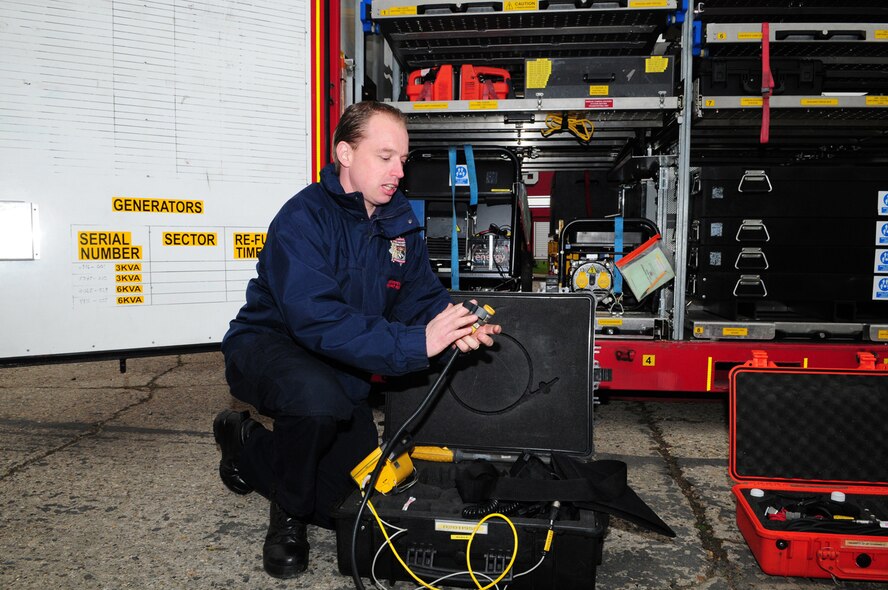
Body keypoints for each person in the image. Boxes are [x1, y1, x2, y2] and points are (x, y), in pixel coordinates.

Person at [213, 100, 500, 579]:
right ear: (345, 153)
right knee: (314, 405)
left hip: (339, 365)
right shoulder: (303, 219)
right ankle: (287, 517)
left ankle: (245, 444)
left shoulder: (398, 218)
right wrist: (415, 344)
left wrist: (456, 326)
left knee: (345, 508)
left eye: (403, 160)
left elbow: (420, 296)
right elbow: (316, 319)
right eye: (385, 156)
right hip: (273, 348)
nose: (397, 171)